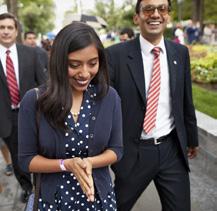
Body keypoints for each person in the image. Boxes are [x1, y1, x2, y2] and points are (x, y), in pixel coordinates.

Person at [18, 21, 123, 210]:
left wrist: (88, 162)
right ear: (59, 62)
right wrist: (66, 164)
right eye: (74, 65)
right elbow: (27, 160)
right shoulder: (34, 100)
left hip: (98, 200)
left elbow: (116, 149)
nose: (84, 73)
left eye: (92, 63)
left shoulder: (109, 97)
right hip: (52, 201)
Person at [106, 0, 199, 211]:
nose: (155, 14)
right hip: (134, 152)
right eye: (148, 9)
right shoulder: (115, 55)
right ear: (137, 17)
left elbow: (186, 100)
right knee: (115, 207)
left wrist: (191, 138)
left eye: (162, 9)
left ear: (168, 16)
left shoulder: (180, 53)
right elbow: (104, 105)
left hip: (171, 149)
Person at [0, 13, 46, 202]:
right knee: (19, 159)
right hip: (6, 117)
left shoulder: (31, 53)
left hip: (33, 114)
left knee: (41, 151)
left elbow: (44, 85)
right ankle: (27, 188)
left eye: (10, 27)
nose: (5, 31)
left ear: (17, 31)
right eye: (1, 27)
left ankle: (43, 185)